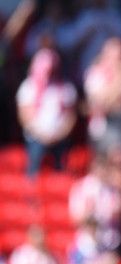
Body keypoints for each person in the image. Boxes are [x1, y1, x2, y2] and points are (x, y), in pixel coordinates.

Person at [16, 48, 77, 177]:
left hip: (59, 137)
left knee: (61, 169)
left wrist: (58, 134)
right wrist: (42, 135)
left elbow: (70, 116)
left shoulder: (65, 87)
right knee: (34, 167)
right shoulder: (28, 87)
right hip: (36, 137)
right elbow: (24, 116)